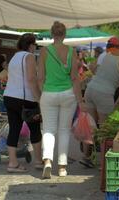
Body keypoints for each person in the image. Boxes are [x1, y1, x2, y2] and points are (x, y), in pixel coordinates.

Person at [37, 21, 84, 178]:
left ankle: (48, 161)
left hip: (48, 93)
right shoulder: (72, 51)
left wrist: (42, 94)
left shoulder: (44, 52)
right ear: (64, 35)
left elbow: (40, 77)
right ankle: (62, 167)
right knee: (64, 129)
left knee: (49, 129)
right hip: (68, 94)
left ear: (52, 34)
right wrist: (80, 99)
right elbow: (75, 78)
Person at [3, 33, 42, 173]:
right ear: (31, 45)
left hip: (9, 96)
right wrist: (39, 99)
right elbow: (31, 79)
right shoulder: (29, 56)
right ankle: (38, 161)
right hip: (25, 99)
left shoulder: (14, 57)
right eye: (34, 45)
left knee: (14, 129)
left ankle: (12, 163)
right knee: (35, 129)